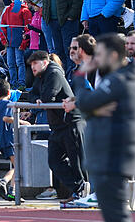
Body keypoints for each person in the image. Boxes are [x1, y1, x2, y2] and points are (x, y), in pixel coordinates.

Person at [64, 33, 135, 222]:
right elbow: (91, 106)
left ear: (112, 55)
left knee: (117, 216)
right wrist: (92, 105)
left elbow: (86, 103)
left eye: (99, 55)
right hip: (105, 153)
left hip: (114, 154)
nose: (94, 60)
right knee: (112, 217)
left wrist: (81, 79)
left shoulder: (121, 79)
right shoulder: (113, 80)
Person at [27, 50, 89, 204]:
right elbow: (31, 94)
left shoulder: (54, 73)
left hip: (71, 123)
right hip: (57, 126)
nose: (32, 67)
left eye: (35, 63)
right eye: (31, 64)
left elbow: (49, 96)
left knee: (77, 161)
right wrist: (37, 99)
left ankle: (82, 192)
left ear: (45, 62)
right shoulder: (40, 76)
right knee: (54, 160)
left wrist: (40, 99)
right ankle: (78, 189)